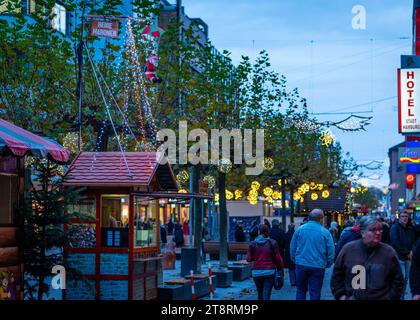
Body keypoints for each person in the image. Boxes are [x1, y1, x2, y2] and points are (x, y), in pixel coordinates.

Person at [331, 216, 404, 300]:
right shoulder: (348, 249)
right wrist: (341, 296)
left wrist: (390, 297)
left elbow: (398, 280)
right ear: (363, 233)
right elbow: (337, 275)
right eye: (373, 230)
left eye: (380, 229)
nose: (378, 233)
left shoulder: (389, 252)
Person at [290, 209, 334, 300]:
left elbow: (292, 247)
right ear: (321, 219)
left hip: (301, 264)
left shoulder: (299, 230)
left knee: (301, 291)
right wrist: (327, 263)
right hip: (318, 266)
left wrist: (295, 259)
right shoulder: (325, 232)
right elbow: (331, 251)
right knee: (315, 292)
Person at [246, 224, 284, 300]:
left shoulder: (252, 244)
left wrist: (256, 257)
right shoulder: (273, 243)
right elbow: (278, 259)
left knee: (260, 294)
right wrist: (280, 269)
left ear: (258, 232)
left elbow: (248, 259)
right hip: (269, 272)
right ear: (267, 232)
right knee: (266, 294)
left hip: (256, 272)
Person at [390, 212, 417, 298]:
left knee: (406, 277)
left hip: (408, 257)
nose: (404, 218)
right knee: (401, 277)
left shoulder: (410, 228)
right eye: (402, 216)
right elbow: (395, 242)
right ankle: (399, 294)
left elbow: (414, 241)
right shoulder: (395, 227)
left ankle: (402, 294)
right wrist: (407, 252)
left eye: (406, 216)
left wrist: (412, 251)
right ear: (399, 218)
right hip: (399, 256)